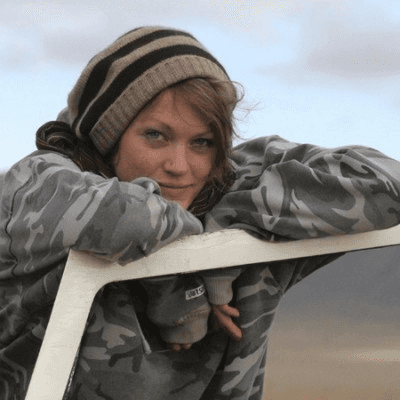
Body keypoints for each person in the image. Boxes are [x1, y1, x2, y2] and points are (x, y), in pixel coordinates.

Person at [1, 26, 400, 400]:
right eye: (155, 136)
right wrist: (186, 285)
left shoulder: (233, 191)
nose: (179, 166)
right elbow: (121, 217)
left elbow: (387, 183)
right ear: (107, 137)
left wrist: (228, 224)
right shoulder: (39, 186)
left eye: (203, 142)